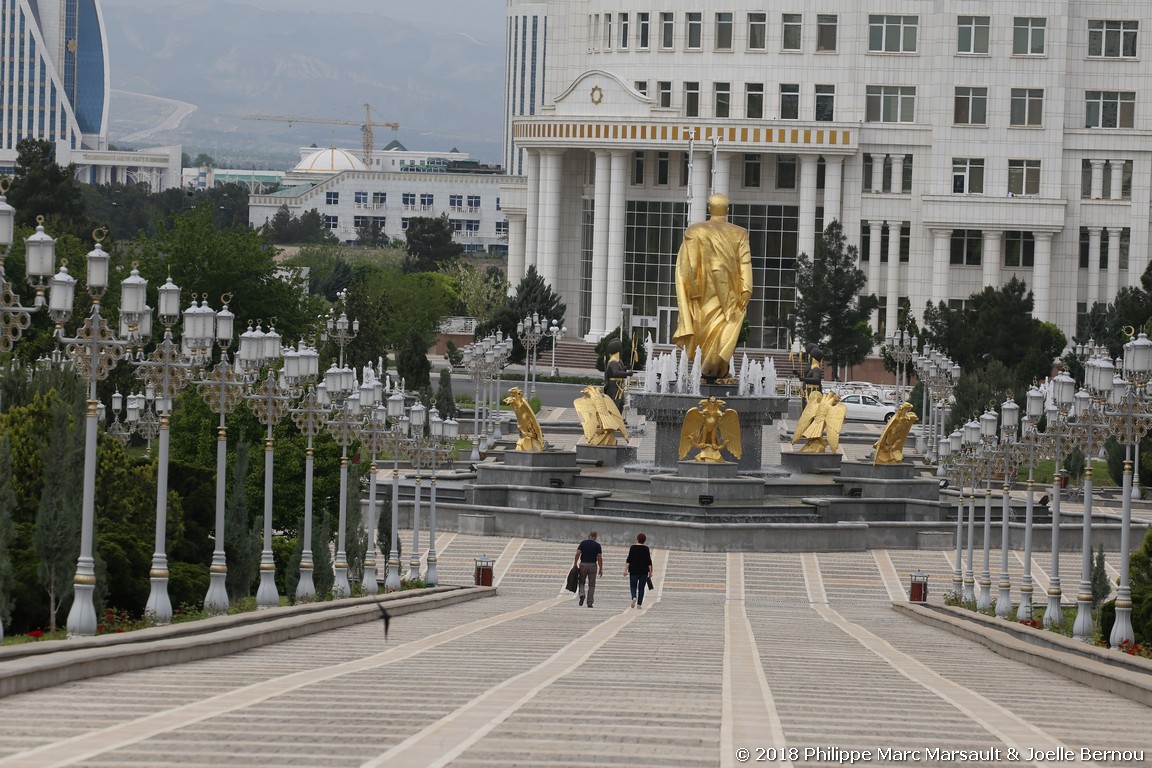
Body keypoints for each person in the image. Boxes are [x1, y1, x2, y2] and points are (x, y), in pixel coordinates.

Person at [673, 193, 753, 381]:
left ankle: (711, 372)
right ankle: (714, 372)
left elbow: (684, 267)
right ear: (727, 210)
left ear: (709, 209)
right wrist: (746, 290)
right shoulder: (739, 232)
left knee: (706, 332)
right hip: (729, 297)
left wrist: (687, 290)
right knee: (725, 330)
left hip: (702, 296)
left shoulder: (694, 231)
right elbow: (745, 264)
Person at [573, 530, 603, 607]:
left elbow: (578, 553)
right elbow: (599, 558)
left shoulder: (583, 543)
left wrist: (575, 563)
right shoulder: (597, 545)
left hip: (583, 564)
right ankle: (590, 603)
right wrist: (600, 568)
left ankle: (582, 594)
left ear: (589, 535)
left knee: (581, 582)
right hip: (593, 565)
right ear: (595, 537)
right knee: (592, 585)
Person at [624, 532, 653, 608]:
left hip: (633, 571)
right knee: (641, 588)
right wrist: (650, 572)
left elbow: (628, 560)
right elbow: (649, 561)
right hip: (643, 571)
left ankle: (634, 597)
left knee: (633, 586)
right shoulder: (646, 549)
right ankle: (639, 604)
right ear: (644, 540)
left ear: (637, 539)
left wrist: (625, 570)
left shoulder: (633, 547)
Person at [603, 338, 630, 406]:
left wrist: (625, 368)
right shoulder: (613, 362)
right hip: (614, 386)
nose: (621, 352)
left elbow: (620, 370)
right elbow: (616, 373)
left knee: (621, 403)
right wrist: (628, 373)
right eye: (620, 351)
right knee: (616, 404)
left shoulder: (617, 362)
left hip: (618, 385)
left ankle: (619, 416)